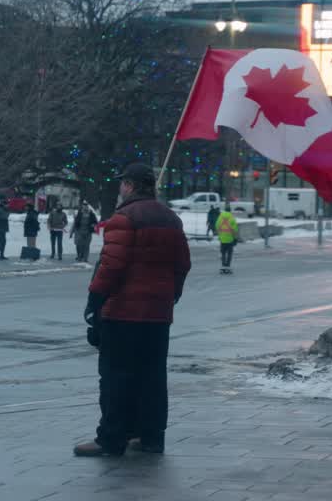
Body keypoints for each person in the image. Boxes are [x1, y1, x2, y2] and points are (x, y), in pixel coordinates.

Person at [75, 162, 191, 458]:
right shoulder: (172, 220)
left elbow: (111, 266)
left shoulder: (123, 219)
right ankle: (150, 437)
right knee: (152, 377)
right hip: (157, 316)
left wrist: (94, 301)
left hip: (123, 313)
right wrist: (170, 296)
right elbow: (182, 266)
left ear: (129, 185)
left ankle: (111, 438)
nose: (120, 189)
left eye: (122, 184)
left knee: (116, 376)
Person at [215, 203, 237, 274]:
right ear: (230, 211)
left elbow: (217, 226)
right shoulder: (232, 218)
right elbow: (235, 229)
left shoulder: (220, 217)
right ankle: (227, 267)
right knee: (229, 254)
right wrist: (235, 238)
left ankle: (223, 266)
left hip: (222, 239)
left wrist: (220, 234)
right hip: (230, 240)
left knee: (223, 253)